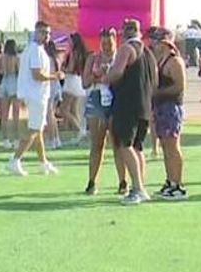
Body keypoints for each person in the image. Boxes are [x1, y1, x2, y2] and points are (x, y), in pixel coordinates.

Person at [106, 19, 155, 204]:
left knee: (125, 145)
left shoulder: (126, 49)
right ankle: (140, 186)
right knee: (137, 147)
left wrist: (104, 77)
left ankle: (138, 189)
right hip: (144, 105)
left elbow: (117, 72)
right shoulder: (148, 52)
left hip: (127, 104)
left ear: (124, 32)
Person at [7, 21, 61, 177]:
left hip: (37, 94)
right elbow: (37, 74)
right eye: (43, 32)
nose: (46, 36)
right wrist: (55, 76)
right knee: (34, 129)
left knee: (39, 130)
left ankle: (43, 162)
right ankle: (15, 159)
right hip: (36, 95)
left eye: (48, 33)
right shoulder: (35, 50)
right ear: (36, 32)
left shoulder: (35, 50)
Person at [147, 27, 188, 200]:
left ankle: (178, 184)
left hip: (172, 107)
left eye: (156, 41)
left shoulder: (174, 61)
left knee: (173, 146)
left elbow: (179, 87)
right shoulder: (160, 60)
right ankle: (170, 181)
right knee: (165, 146)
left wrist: (157, 92)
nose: (153, 44)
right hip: (161, 107)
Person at [83, 28, 125, 196]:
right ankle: (92, 182)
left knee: (118, 144)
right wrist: (97, 75)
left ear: (116, 41)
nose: (106, 47)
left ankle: (123, 182)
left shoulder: (121, 58)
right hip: (97, 99)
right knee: (97, 144)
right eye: (104, 43)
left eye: (110, 43)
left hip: (116, 99)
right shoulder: (93, 58)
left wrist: (113, 74)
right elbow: (85, 83)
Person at [61, 32, 88, 145]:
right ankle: (80, 133)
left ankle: (81, 130)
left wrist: (62, 70)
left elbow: (71, 68)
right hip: (78, 81)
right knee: (75, 110)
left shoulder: (74, 53)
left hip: (71, 81)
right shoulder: (82, 53)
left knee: (64, 110)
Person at [0, 39, 21, 148]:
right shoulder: (17, 58)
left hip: (4, 82)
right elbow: (18, 72)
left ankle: (5, 139)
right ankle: (16, 139)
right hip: (14, 82)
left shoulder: (2, 58)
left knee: (4, 114)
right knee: (16, 114)